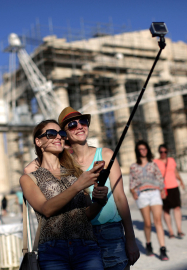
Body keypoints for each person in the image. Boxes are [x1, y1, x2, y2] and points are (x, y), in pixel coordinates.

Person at [26, 107, 140, 269]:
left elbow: (121, 198)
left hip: (109, 230)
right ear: (63, 134)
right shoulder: (64, 164)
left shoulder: (106, 155)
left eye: (83, 122)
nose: (79, 126)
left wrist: (130, 238)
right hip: (80, 236)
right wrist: (56, 145)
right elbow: (29, 170)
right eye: (72, 124)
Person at [19, 119, 109, 270]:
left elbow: (86, 214)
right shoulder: (29, 179)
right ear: (38, 142)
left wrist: (100, 202)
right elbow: (46, 209)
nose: (59, 137)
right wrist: (78, 185)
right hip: (53, 250)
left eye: (60, 133)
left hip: (86, 246)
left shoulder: (75, 173)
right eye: (51, 134)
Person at [130, 140, 168, 261]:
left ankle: (163, 249)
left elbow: (159, 178)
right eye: (141, 149)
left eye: (145, 148)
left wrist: (162, 190)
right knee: (147, 223)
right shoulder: (133, 166)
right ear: (137, 151)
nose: (143, 151)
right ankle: (148, 243)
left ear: (148, 150)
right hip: (142, 195)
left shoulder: (153, 164)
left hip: (155, 193)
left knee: (158, 221)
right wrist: (133, 193)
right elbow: (132, 182)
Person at [154, 144, 185, 239]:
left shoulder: (171, 160)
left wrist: (181, 180)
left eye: (165, 152)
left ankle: (179, 229)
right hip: (163, 189)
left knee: (177, 208)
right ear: (159, 152)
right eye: (161, 152)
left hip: (174, 187)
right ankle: (171, 231)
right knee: (166, 210)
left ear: (167, 152)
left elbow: (175, 172)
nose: (163, 153)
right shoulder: (155, 162)